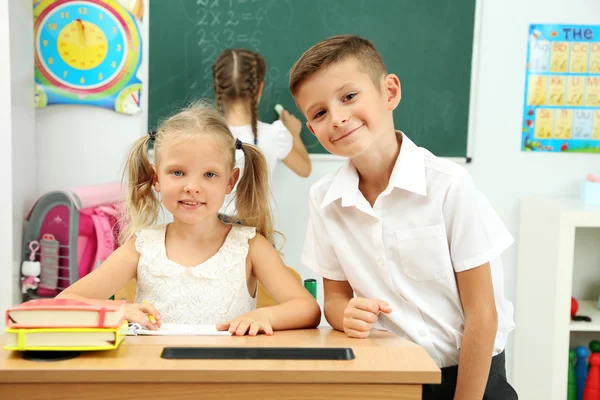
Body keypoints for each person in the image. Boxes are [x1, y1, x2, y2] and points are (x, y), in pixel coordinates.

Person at [290, 35, 518, 399]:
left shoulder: (447, 185)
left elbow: (483, 314)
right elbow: (333, 298)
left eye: (349, 96)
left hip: (472, 380)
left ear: (390, 91)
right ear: (313, 129)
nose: (338, 117)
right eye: (319, 113)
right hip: (387, 380)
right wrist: (344, 314)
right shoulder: (324, 200)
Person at [57, 101, 321, 336]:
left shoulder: (251, 246)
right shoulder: (142, 247)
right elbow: (65, 302)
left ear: (230, 181)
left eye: (209, 175)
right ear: (156, 179)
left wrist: (265, 315)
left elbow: (307, 309)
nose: (192, 187)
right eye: (177, 172)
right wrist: (115, 311)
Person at [212, 48, 311, 216]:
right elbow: (304, 169)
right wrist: (294, 134)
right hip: (257, 229)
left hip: (213, 229)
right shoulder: (276, 134)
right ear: (259, 89)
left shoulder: (206, 135)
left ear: (218, 89)